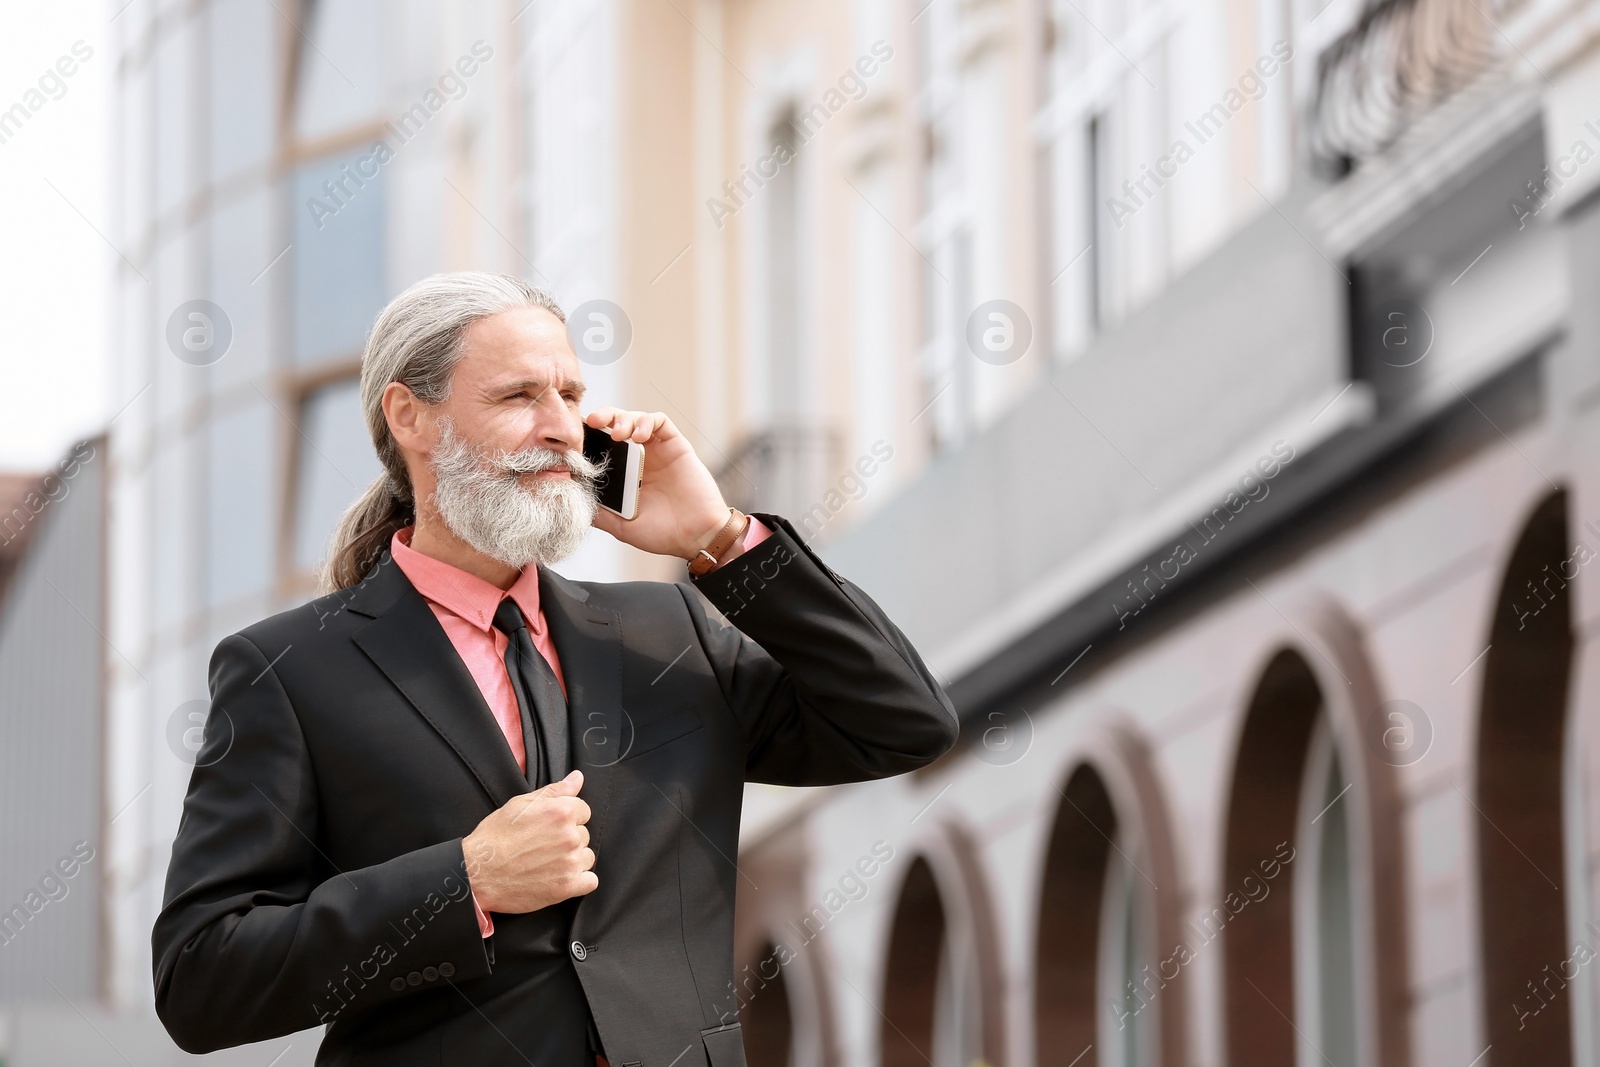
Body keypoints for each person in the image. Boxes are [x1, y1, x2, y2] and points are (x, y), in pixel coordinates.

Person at [152, 271, 958, 1067]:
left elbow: (904, 721)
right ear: (410, 416)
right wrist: (464, 881)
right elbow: (201, 975)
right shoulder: (289, 672)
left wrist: (721, 537)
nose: (564, 429)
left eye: (572, 396)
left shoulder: (665, 631)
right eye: (519, 397)